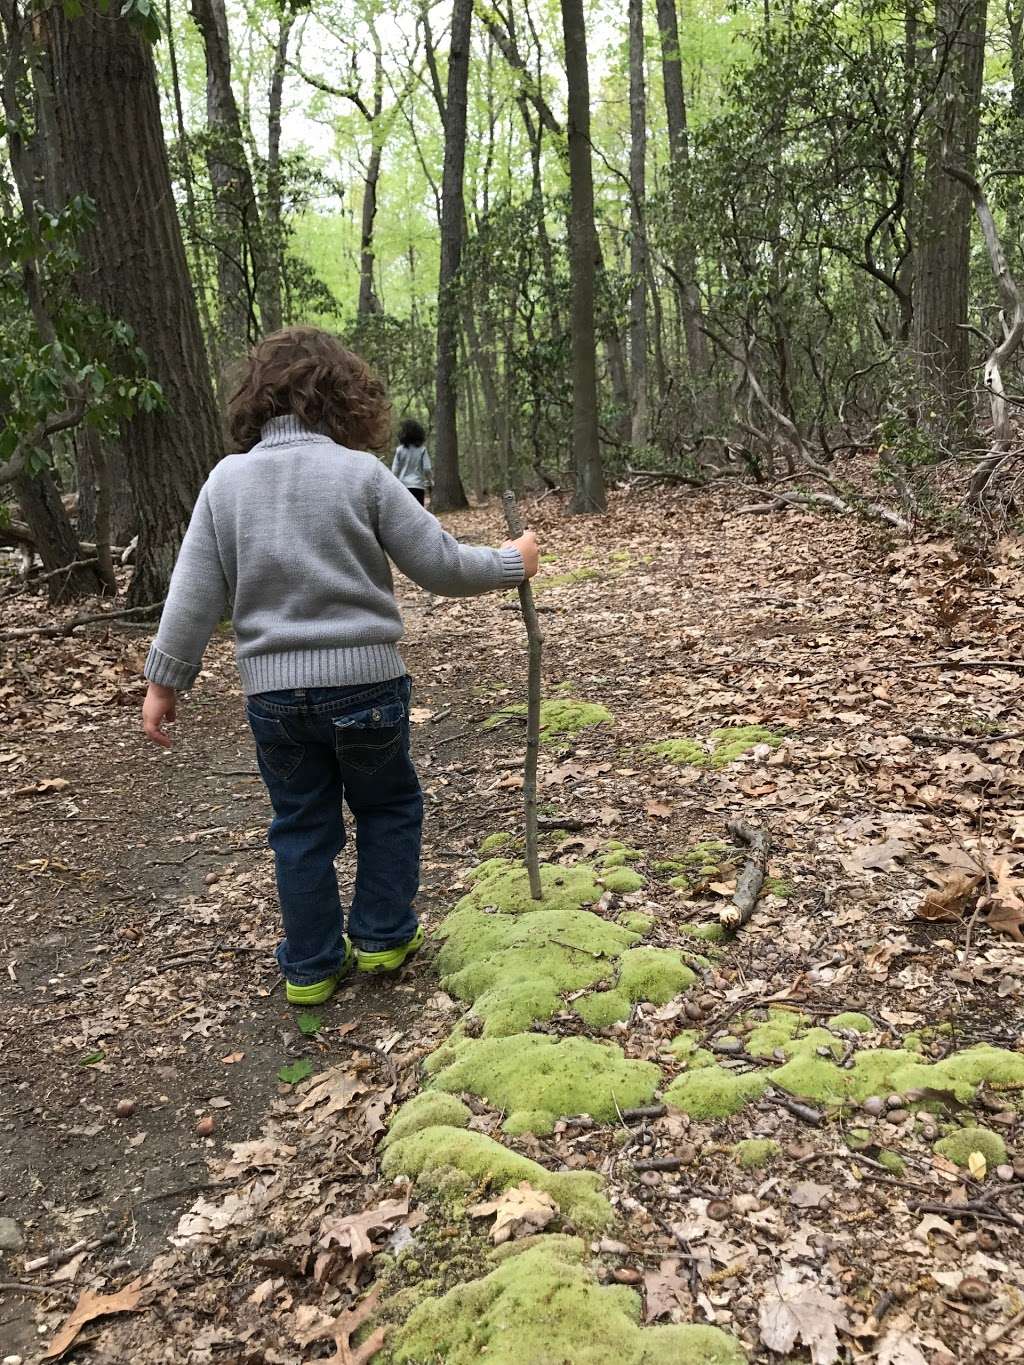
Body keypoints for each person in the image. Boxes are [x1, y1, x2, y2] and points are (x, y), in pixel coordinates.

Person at [140, 326, 539, 1005]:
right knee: (387, 806)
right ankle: (383, 934)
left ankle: (313, 964)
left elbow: (194, 594)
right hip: (367, 688)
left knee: (301, 825)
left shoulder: (226, 482)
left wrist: (163, 682)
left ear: (257, 399)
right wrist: (512, 560)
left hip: (273, 699)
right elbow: (439, 564)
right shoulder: (361, 474)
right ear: (345, 399)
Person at [391, 418, 432, 504]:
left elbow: (394, 470)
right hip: (418, 487)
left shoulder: (399, 450)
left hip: (403, 487)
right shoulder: (422, 450)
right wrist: (430, 481)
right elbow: (427, 469)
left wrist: (393, 485)